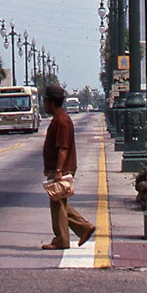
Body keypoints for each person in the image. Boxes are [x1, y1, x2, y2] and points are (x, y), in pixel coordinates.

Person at [41, 84, 95, 251]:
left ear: (52, 102)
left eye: (45, 101)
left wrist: (58, 170)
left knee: (57, 204)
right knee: (59, 201)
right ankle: (84, 228)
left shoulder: (62, 121)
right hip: (59, 167)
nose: (44, 105)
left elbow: (63, 148)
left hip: (62, 168)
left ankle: (61, 239)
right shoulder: (60, 119)